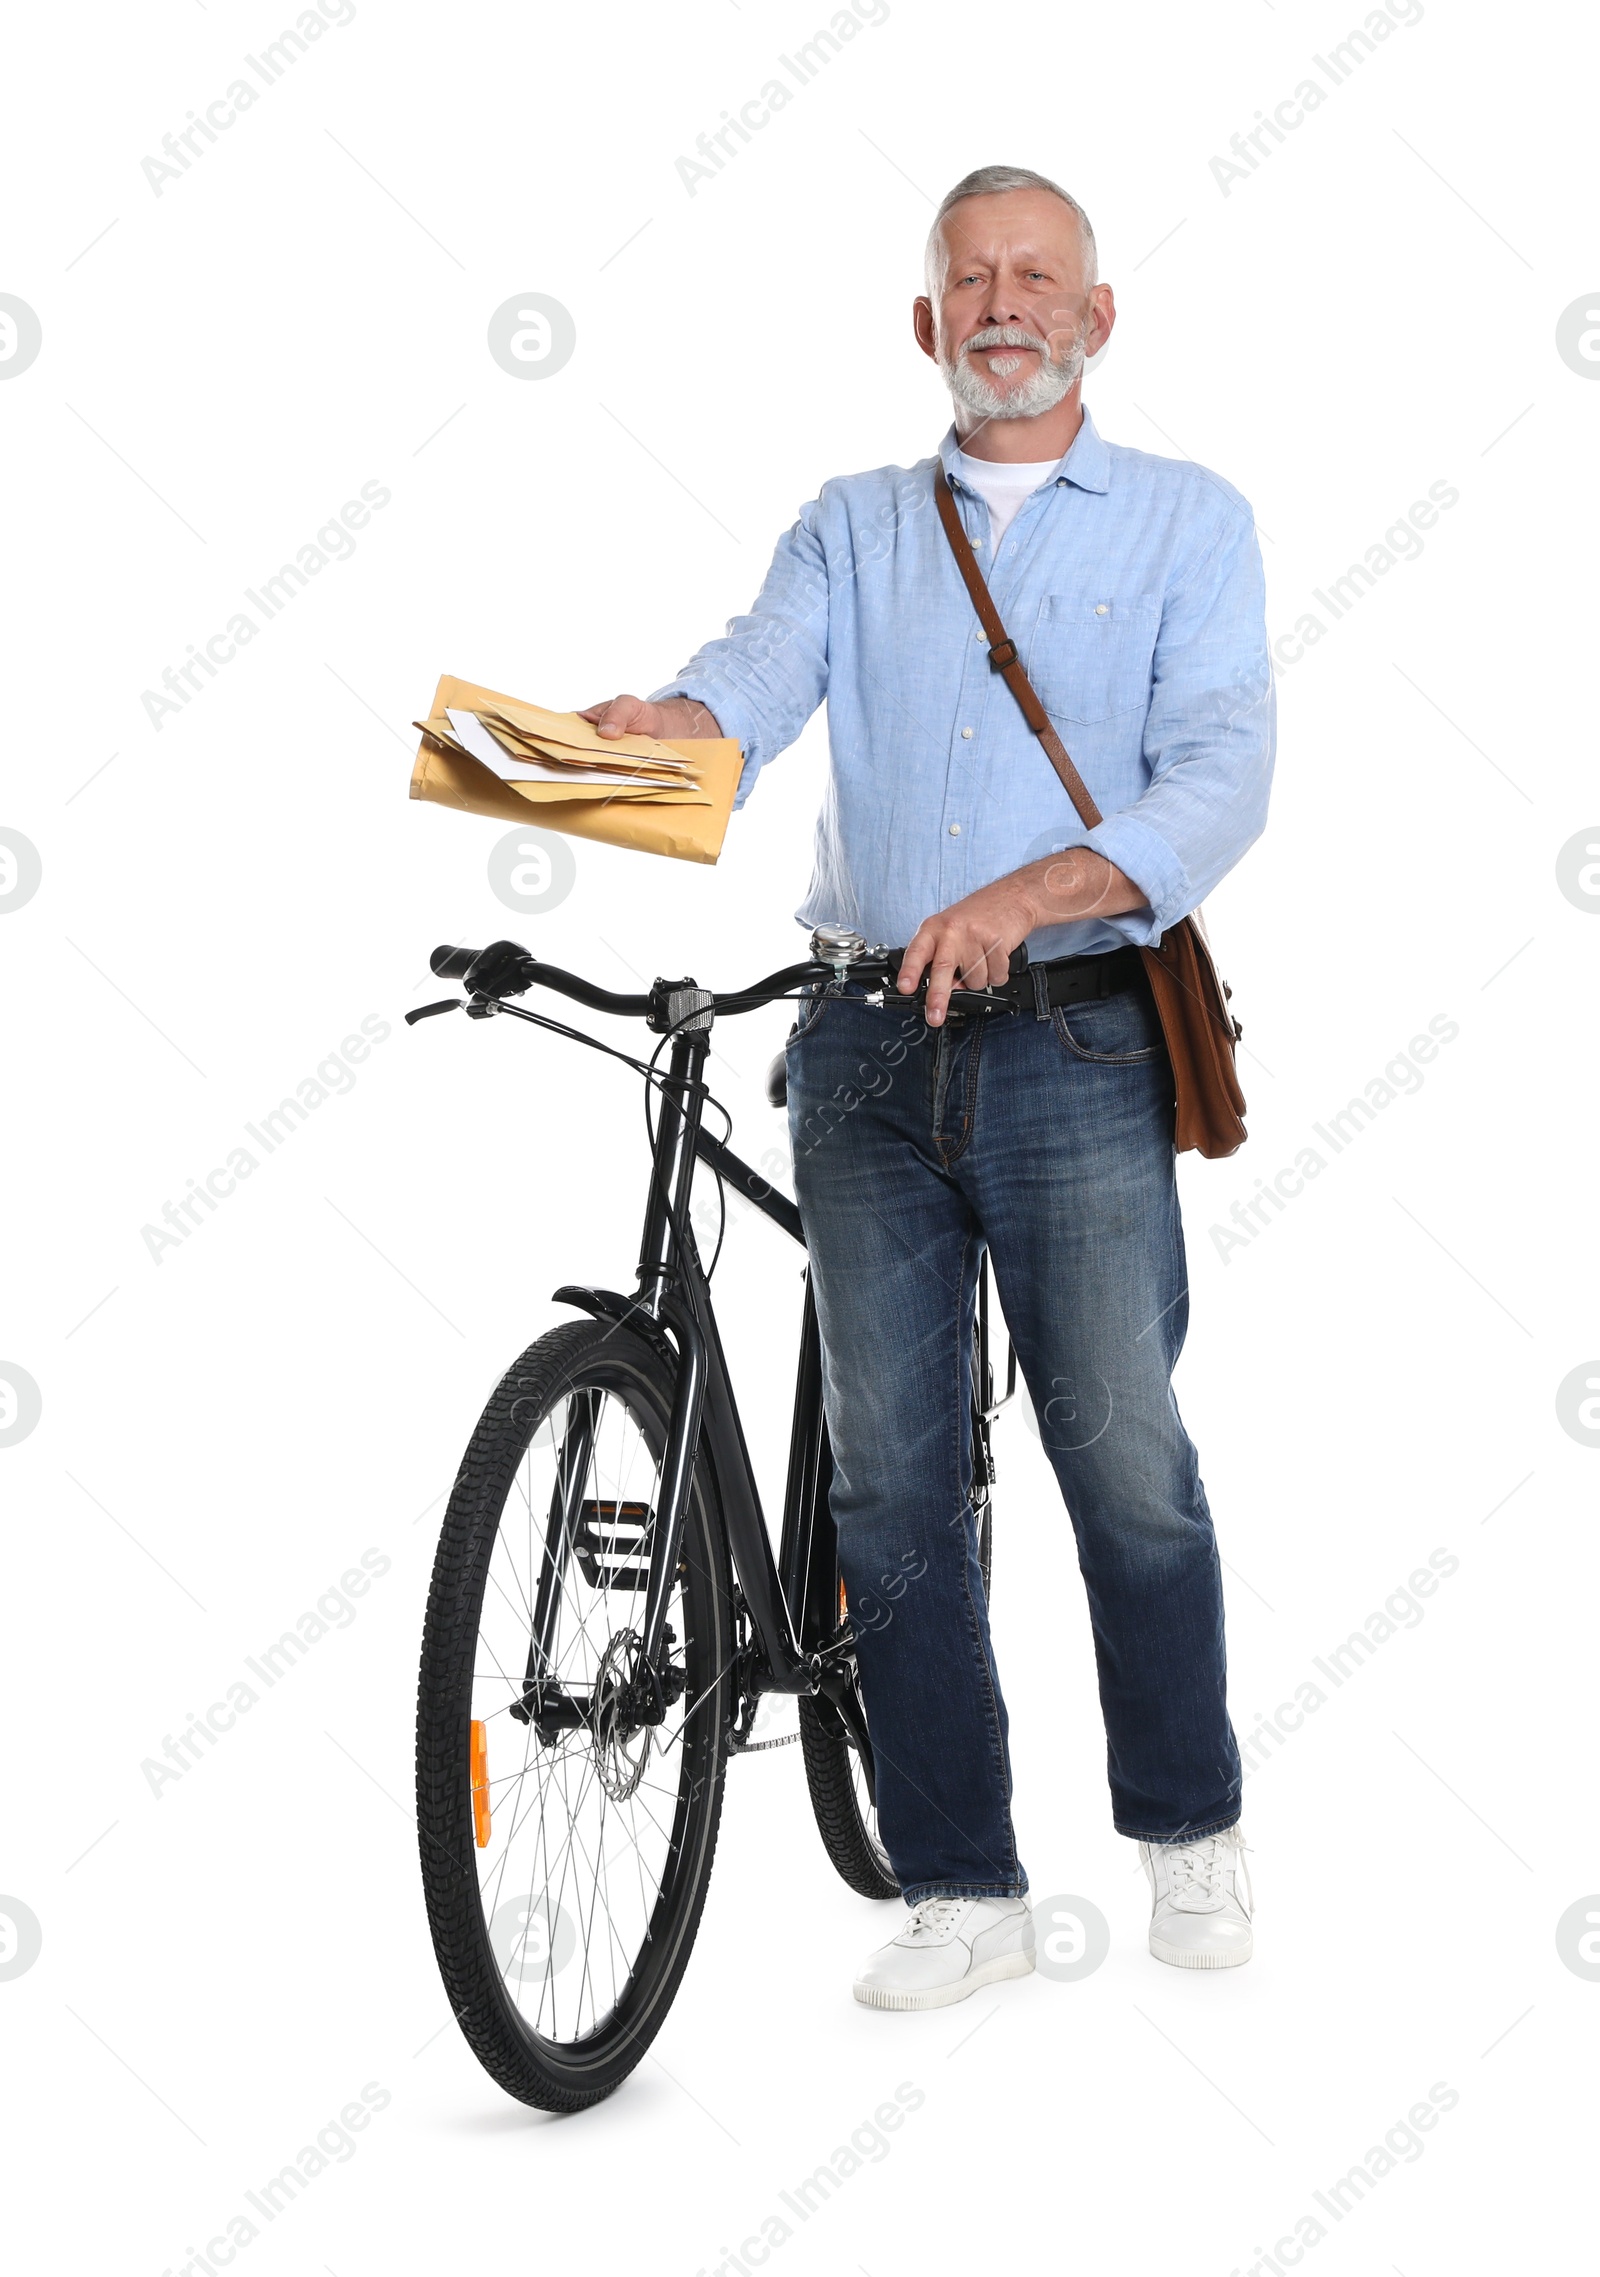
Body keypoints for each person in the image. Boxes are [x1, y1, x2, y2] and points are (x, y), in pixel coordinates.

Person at [582, 163, 1273, 2010]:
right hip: (867, 1039)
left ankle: (1189, 1827)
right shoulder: (858, 522)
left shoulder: (1191, 525)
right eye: (969, 276)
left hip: (1077, 1033)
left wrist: (1024, 896)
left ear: (1097, 318)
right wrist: (683, 721)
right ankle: (956, 1878)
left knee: (1121, 1456)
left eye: (1037, 273)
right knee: (889, 1485)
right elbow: (761, 666)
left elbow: (1215, 782)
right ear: (924, 322)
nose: (1002, 300)